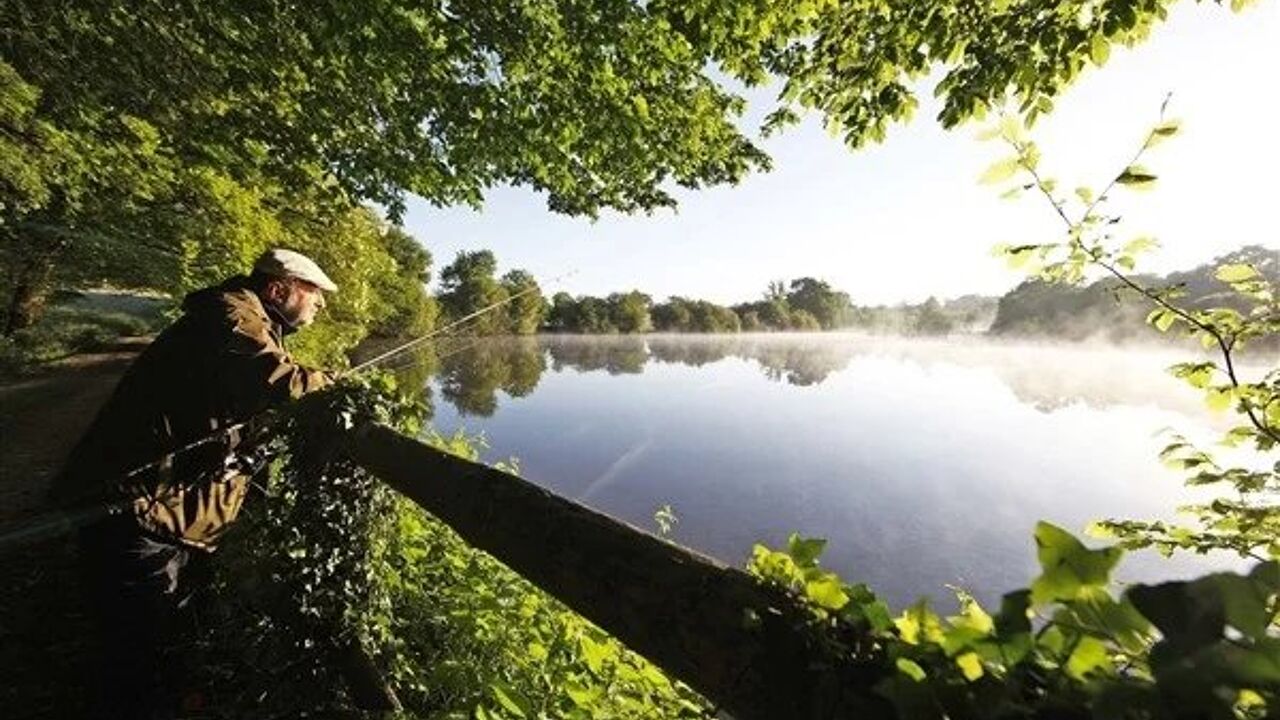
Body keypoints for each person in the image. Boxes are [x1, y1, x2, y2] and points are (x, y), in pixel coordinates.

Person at [52, 248, 339, 719]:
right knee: (137, 653)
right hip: (135, 509)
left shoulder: (248, 322)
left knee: (153, 646)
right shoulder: (231, 318)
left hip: (153, 510)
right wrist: (334, 382)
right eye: (314, 293)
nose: (320, 305)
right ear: (278, 289)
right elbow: (279, 384)